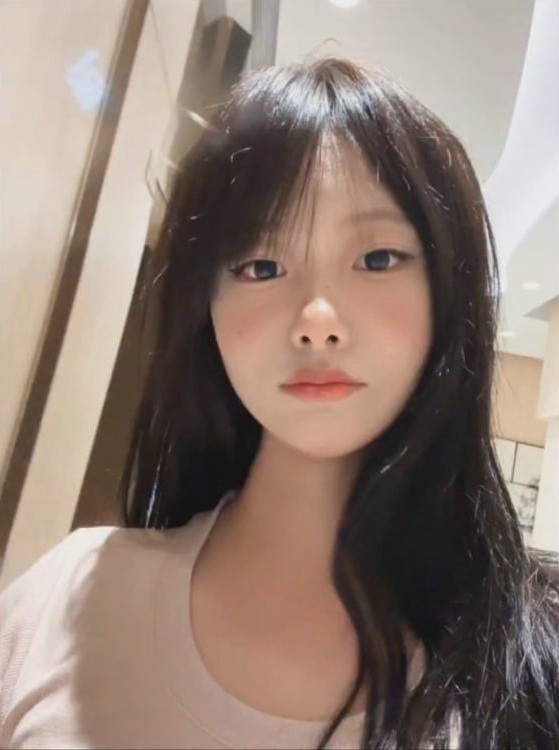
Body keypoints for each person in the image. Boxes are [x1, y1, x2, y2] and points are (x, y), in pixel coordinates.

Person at [1, 56, 558, 750]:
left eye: (377, 258)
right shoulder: (70, 599)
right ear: (205, 306)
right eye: (261, 266)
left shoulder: (526, 671)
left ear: (449, 292)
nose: (317, 320)